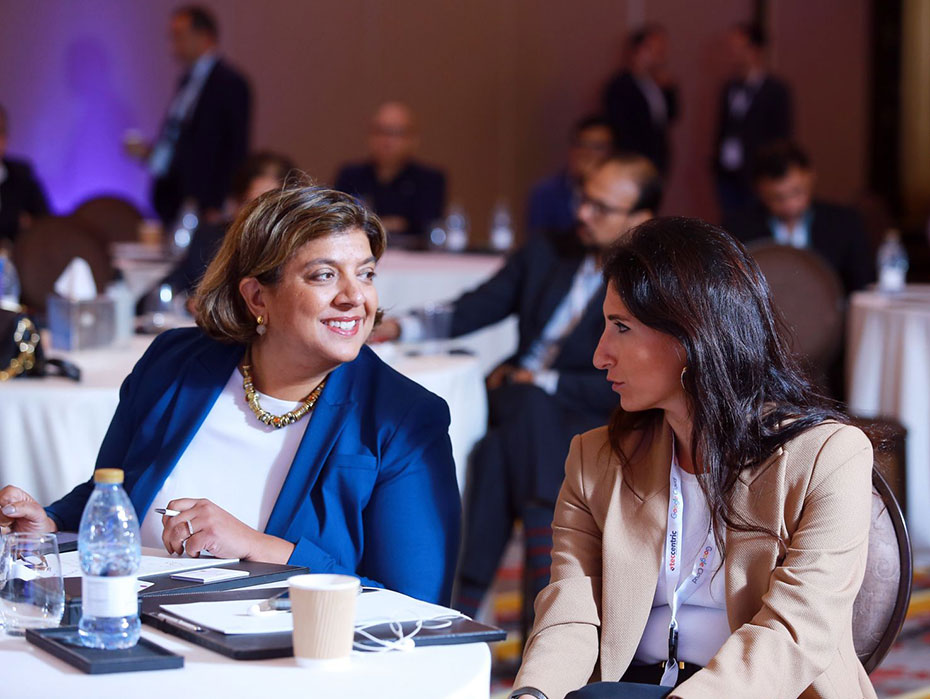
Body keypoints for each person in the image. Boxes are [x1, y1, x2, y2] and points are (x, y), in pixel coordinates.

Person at [0, 185, 461, 605]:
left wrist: (255, 547)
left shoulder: (402, 418)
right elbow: (114, 496)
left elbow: (415, 607)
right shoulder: (175, 365)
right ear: (257, 298)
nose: (354, 297)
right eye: (324, 275)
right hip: (131, 628)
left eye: (365, 274)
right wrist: (52, 526)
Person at [510, 217, 875, 699]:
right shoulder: (595, 458)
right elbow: (571, 614)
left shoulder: (827, 456)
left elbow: (793, 634)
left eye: (621, 327)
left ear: (690, 335)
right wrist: (533, 694)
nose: (599, 355)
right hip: (630, 688)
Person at [372, 154, 663, 616]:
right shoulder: (549, 250)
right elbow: (476, 306)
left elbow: (637, 380)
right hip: (519, 402)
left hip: (583, 410)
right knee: (525, 412)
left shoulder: (650, 283)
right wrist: (399, 327)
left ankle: (460, 607)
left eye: (601, 208)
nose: (583, 214)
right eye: (583, 200)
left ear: (640, 218)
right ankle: (540, 612)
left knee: (496, 456)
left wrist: (543, 381)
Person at [125, 5, 251, 227]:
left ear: (204, 36)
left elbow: (235, 149)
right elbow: (181, 141)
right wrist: (150, 154)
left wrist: (220, 202)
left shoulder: (230, 83)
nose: (173, 45)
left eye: (179, 36)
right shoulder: (186, 82)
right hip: (173, 197)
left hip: (205, 205)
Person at [724, 141, 874, 294]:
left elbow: (862, 285)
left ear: (811, 176)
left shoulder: (844, 223)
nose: (790, 204)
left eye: (797, 192)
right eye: (777, 198)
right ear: (759, 191)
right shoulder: (739, 227)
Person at [147, 151, 295, 304]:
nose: (259, 214)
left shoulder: (297, 251)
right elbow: (167, 289)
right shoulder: (209, 238)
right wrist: (189, 303)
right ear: (235, 205)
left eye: (270, 205)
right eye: (251, 204)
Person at [334, 101, 446, 247]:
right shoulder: (351, 175)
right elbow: (339, 221)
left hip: (414, 260)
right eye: (380, 132)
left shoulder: (430, 179)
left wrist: (372, 223)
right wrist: (391, 223)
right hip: (357, 250)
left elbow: (427, 226)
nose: (387, 141)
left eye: (396, 133)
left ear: (413, 140)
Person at [713, 22, 793, 218]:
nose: (732, 54)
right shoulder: (730, 87)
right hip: (727, 172)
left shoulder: (776, 90)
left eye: (738, 48)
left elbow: (781, 135)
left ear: (755, 49)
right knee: (730, 221)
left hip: (757, 172)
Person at [603, 26, 678, 175]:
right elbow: (619, 126)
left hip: (657, 156)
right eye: (653, 49)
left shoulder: (656, 84)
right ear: (638, 50)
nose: (660, 55)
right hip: (633, 159)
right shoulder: (620, 85)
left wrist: (670, 90)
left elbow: (670, 116)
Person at [526, 115, 615, 238]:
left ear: (613, 152)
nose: (587, 153)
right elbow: (539, 247)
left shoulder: (618, 194)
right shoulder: (546, 193)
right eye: (581, 145)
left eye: (597, 147)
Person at [0, 103, 50, 247]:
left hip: (19, 262)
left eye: (1, 131)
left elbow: (45, 224)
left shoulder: (21, 176)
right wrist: (16, 220)